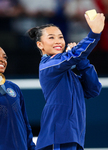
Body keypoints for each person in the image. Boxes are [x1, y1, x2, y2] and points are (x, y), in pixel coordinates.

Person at [27, 12, 105, 150]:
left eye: (61, 37)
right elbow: (74, 55)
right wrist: (94, 33)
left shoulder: (70, 76)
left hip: (74, 137)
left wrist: (82, 61)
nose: (58, 41)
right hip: (56, 138)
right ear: (40, 44)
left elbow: (93, 90)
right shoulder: (47, 66)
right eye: (51, 37)